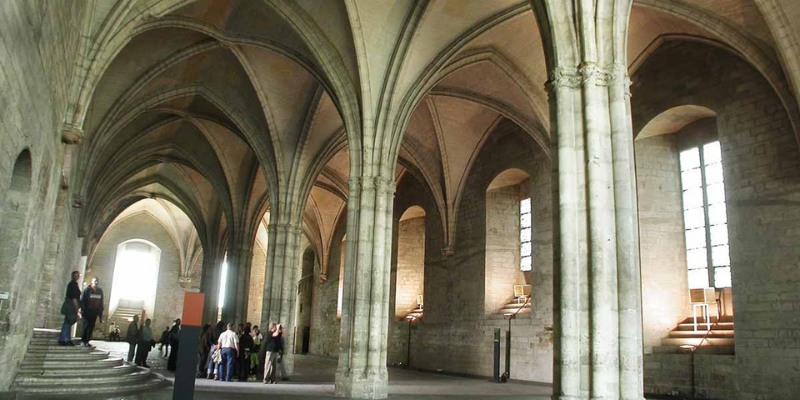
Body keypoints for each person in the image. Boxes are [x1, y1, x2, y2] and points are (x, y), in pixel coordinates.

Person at [58, 271, 82, 346]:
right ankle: (63, 339)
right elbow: (74, 298)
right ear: (74, 276)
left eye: (78, 275)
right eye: (77, 275)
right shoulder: (73, 285)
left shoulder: (73, 284)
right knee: (68, 322)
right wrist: (77, 308)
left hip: (70, 304)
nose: (78, 276)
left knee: (68, 322)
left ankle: (67, 338)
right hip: (70, 305)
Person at [79, 277, 104, 347]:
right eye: (95, 281)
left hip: (94, 312)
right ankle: (83, 340)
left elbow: (101, 303)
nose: (96, 283)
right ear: (91, 282)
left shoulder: (100, 291)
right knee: (86, 326)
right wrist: (82, 310)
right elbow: (82, 300)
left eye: (97, 281)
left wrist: (100, 315)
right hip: (87, 311)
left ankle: (87, 341)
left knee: (91, 327)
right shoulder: (87, 290)